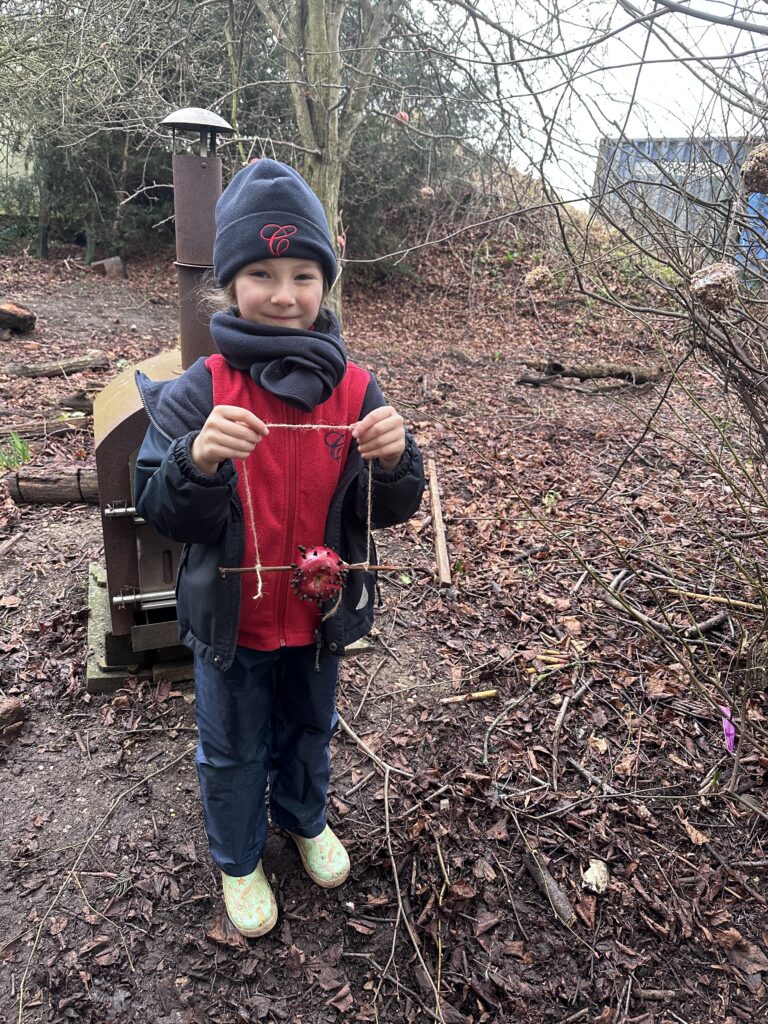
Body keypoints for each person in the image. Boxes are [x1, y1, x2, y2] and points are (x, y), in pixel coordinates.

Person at [133, 159, 425, 938]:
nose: (285, 293)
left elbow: (391, 507)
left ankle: (303, 817)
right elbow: (159, 508)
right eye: (261, 273)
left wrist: (396, 460)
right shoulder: (202, 389)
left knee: (308, 726)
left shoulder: (359, 389)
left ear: (326, 279)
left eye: (303, 272)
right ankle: (237, 858)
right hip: (234, 626)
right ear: (230, 284)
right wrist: (196, 460)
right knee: (232, 747)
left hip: (319, 617)